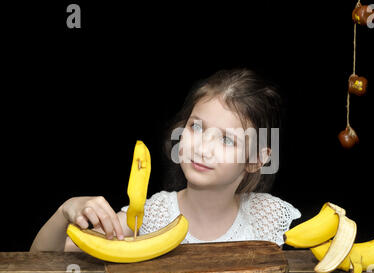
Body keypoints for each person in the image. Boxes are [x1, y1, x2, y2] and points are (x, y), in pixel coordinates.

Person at [30, 68, 301, 252]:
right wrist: (65, 210)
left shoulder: (269, 217)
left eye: (227, 140)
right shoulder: (149, 217)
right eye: (196, 127)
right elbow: (44, 258)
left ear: (256, 159)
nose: (203, 148)